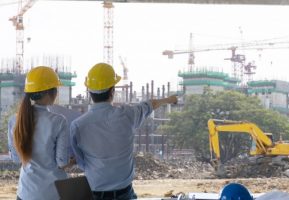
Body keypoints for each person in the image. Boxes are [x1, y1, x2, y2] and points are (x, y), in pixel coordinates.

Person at [70, 63, 177, 200]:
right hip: (125, 194)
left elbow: (81, 161)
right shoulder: (128, 115)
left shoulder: (77, 126)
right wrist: (169, 99)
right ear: (112, 91)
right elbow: (151, 104)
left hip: (95, 194)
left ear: (89, 92)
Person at [10, 66, 73, 200]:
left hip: (26, 193)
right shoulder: (59, 122)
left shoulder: (15, 120)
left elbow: (16, 158)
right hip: (53, 193)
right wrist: (73, 160)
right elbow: (62, 162)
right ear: (51, 93)